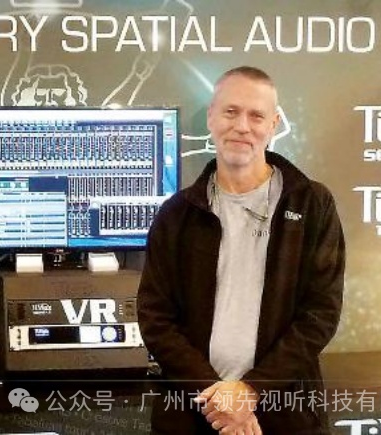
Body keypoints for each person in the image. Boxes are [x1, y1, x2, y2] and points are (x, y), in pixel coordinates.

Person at [138, 66, 345, 434]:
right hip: (192, 411)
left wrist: (251, 391)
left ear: (274, 124)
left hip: (286, 414)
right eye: (231, 112)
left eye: (256, 116)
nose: (242, 126)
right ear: (211, 117)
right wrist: (217, 399)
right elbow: (155, 318)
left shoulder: (312, 204)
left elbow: (320, 313)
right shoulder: (176, 214)